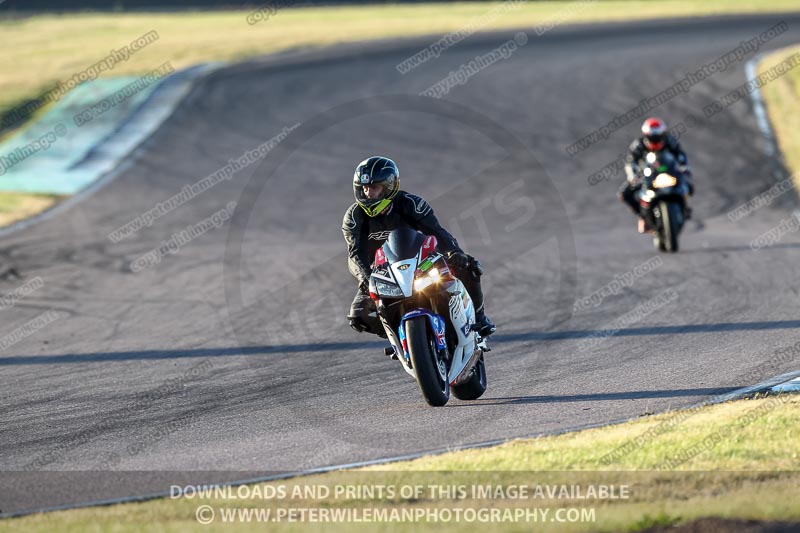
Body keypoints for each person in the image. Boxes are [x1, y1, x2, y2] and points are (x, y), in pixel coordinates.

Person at [342, 155, 496, 342]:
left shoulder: (411, 204)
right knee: (358, 315)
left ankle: (479, 319)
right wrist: (365, 278)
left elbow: (438, 232)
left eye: (374, 187)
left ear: (389, 187)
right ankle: (402, 338)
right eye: (365, 188)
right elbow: (355, 254)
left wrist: (455, 252)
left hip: (422, 261)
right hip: (382, 272)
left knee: (469, 266)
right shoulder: (354, 216)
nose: (369, 194)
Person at [618, 117, 694, 233]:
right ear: (646, 136)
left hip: (668, 171)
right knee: (624, 194)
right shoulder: (638, 145)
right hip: (646, 174)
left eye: (658, 138)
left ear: (663, 135)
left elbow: (680, 155)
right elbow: (630, 162)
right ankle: (642, 216)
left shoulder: (670, 141)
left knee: (688, 186)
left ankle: (684, 208)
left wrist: (684, 167)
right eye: (652, 138)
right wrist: (632, 175)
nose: (655, 141)